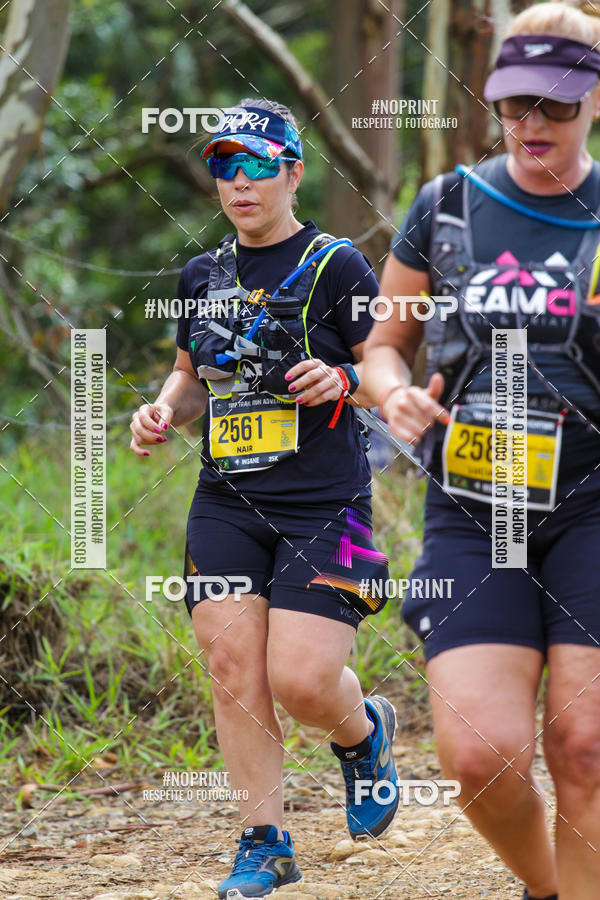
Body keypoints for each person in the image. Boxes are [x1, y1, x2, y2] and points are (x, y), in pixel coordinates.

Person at [130, 98, 398, 900]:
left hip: (328, 503)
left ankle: (363, 732)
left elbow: (388, 370)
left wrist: (346, 378)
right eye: (223, 166)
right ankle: (265, 843)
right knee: (232, 667)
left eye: (255, 165)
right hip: (227, 501)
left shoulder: (336, 264)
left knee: (305, 683)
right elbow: (189, 376)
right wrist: (161, 410)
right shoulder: (201, 274)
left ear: (291, 171)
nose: (239, 182)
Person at [362, 3, 600, 899]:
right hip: (473, 503)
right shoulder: (449, 204)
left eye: (558, 105)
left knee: (583, 746)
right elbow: (385, 344)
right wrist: (397, 395)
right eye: (513, 104)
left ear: (595, 102)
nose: (532, 124)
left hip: (592, 501)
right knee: (480, 758)